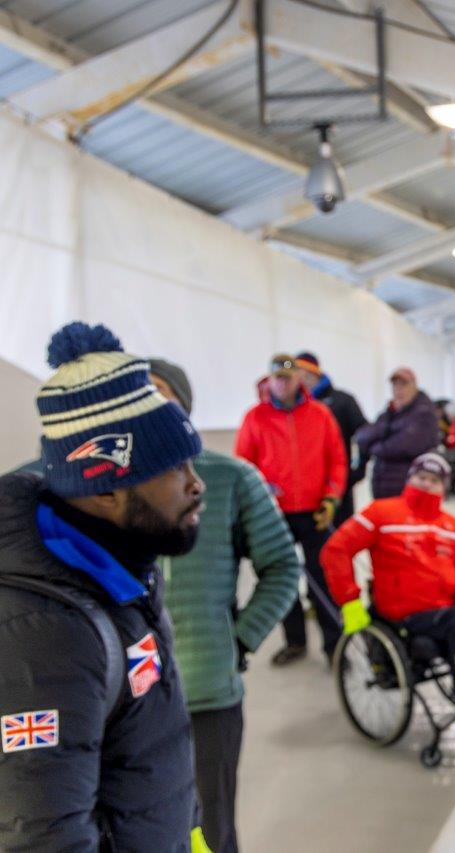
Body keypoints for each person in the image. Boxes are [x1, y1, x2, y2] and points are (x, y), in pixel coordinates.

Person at [0, 323, 212, 851]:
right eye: (173, 467)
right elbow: (43, 839)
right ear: (106, 483)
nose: (196, 483)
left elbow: (151, 757)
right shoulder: (46, 633)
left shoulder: (124, 570)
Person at [150, 358, 301, 853]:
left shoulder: (231, 478)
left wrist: (238, 638)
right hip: (124, 703)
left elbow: (282, 565)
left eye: (158, 393)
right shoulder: (103, 491)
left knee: (209, 829)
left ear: (184, 406)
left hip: (206, 694)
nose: (146, 407)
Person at [321, 453, 455, 737]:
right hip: (405, 615)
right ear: (409, 479)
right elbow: (336, 550)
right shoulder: (381, 514)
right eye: (421, 477)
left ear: (443, 487)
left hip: (447, 610)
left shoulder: (454, 527)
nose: (426, 484)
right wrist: (350, 602)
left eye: (434, 480)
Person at [236, 353, 347, 666]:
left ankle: (333, 646)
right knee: (280, 580)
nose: (283, 383)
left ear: (299, 379)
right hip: (275, 514)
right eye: (278, 378)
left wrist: (331, 497)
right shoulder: (255, 418)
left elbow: (337, 460)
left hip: (315, 512)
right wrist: (256, 502)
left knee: (321, 579)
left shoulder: (320, 415)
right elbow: (244, 467)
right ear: (269, 380)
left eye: (288, 377)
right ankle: (295, 641)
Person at [294, 351, 368, 525]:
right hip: (308, 488)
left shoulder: (343, 401)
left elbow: (365, 436)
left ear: (311, 373)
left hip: (338, 483)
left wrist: (358, 470)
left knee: (340, 536)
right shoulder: (295, 407)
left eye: (301, 374)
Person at [356, 366, 441, 499]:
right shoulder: (389, 412)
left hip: (407, 488)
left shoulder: (424, 413)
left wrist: (375, 446)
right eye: (395, 385)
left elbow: (404, 446)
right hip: (382, 486)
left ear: (414, 386)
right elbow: (362, 436)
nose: (398, 389)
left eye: (403, 384)